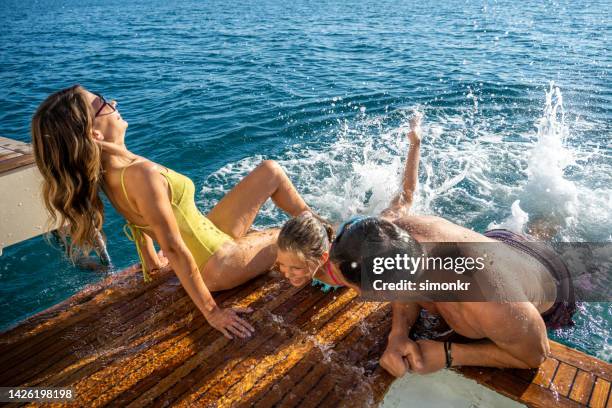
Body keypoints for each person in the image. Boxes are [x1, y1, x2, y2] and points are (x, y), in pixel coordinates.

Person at [276, 113, 575, 375]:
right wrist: (398, 333)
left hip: (549, 280)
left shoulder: (491, 301)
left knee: (542, 239)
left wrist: (448, 355)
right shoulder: (391, 234)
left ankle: (558, 215)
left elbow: (536, 354)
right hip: (497, 245)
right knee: (530, 236)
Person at [31, 84, 312, 340]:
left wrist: (151, 264)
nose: (114, 102)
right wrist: (213, 313)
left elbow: (137, 220)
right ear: (94, 133)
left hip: (210, 237)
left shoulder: (109, 172)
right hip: (220, 264)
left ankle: (318, 229)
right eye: (103, 103)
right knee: (297, 234)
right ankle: (326, 238)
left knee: (270, 171)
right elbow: (175, 250)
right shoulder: (141, 174)